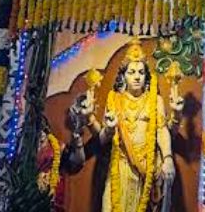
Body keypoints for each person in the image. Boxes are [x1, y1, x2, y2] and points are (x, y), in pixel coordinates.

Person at [67, 42, 184, 212]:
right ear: (123, 76)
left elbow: (161, 130)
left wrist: (167, 158)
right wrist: (108, 128)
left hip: (146, 170)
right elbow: (103, 139)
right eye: (131, 72)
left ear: (146, 76)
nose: (137, 77)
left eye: (141, 72)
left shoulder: (155, 100)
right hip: (120, 167)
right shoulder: (114, 99)